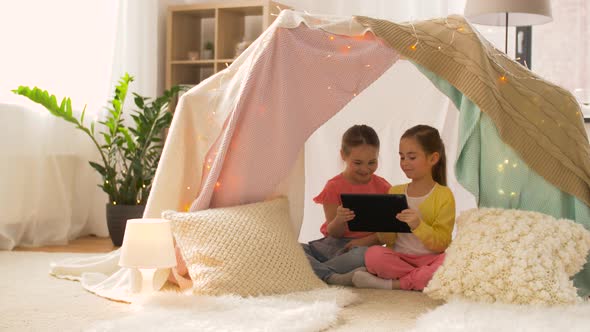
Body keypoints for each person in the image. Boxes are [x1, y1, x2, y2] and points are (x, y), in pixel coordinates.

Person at [352, 124, 455, 291]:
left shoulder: (444, 195)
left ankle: (394, 284)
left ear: (433, 159)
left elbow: (442, 244)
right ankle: (419, 279)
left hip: (429, 259)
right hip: (400, 258)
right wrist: (383, 223)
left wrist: (418, 225)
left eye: (412, 157)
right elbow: (388, 240)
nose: (405, 163)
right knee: (373, 255)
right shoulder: (395, 191)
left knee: (449, 261)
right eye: (402, 157)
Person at [302, 124, 391, 286]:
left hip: (360, 249)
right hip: (331, 246)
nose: (365, 169)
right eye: (357, 163)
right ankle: (331, 276)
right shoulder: (334, 186)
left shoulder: (384, 187)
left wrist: (363, 242)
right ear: (343, 155)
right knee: (291, 249)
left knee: (368, 256)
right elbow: (333, 233)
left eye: (372, 162)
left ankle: (317, 273)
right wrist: (339, 219)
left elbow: (387, 232)